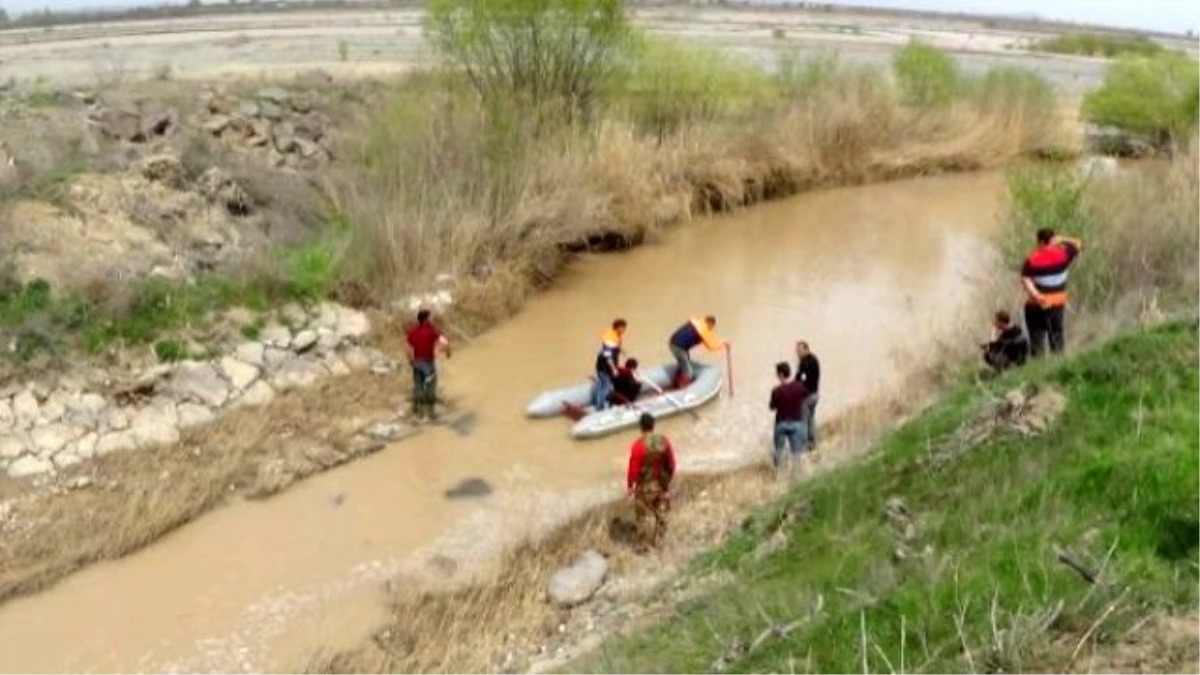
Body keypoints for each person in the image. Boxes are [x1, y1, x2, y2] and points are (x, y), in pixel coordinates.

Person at [1021, 228, 1083, 357]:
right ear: (1053, 240)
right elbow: (1079, 243)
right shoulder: (1065, 254)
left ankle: (1038, 367)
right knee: (1056, 336)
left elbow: (1025, 279)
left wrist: (1037, 295)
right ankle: (1058, 364)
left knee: (1037, 339)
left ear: (1041, 242)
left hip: (1036, 305)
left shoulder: (1032, 259)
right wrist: (1062, 239)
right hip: (1057, 303)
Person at [626, 412, 676, 551]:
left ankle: (643, 546)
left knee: (642, 517)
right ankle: (659, 543)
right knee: (662, 515)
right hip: (661, 485)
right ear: (653, 425)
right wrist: (667, 481)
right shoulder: (664, 441)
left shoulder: (638, 445)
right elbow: (671, 464)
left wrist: (631, 486)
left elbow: (633, 469)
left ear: (641, 427)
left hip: (645, 488)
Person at [405, 308, 451, 421]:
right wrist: (448, 351)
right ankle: (430, 413)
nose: (431, 319)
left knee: (418, 387)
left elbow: (408, 347)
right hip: (428, 364)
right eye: (430, 317)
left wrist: (410, 360)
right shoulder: (432, 331)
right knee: (431, 387)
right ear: (426, 319)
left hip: (416, 363)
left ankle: (420, 413)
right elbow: (443, 342)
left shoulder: (413, 331)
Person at [769, 362, 809, 480]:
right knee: (797, 455)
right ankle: (798, 478)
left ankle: (778, 477)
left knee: (779, 453)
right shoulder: (799, 387)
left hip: (781, 423)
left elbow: (772, 407)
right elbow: (806, 395)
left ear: (780, 375)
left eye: (777, 374)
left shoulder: (776, 390)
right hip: (797, 423)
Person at [667, 315, 725, 387]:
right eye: (712, 326)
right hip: (679, 348)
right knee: (688, 371)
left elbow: (710, 336)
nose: (712, 328)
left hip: (672, 342)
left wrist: (719, 341)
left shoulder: (695, 322)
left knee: (683, 365)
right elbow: (711, 347)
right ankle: (684, 390)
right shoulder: (703, 331)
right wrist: (723, 345)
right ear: (710, 323)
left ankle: (675, 384)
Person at [593, 319, 628, 411]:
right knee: (606, 386)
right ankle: (601, 408)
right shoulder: (609, 339)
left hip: (604, 364)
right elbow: (608, 357)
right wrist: (614, 369)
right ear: (618, 328)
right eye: (623, 328)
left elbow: (616, 346)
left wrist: (621, 350)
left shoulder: (615, 335)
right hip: (605, 366)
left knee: (603, 385)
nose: (624, 330)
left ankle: (600, 404)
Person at [794, 341, 820, 452]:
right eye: (797, 351)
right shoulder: (814, 359)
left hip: (807, 397)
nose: (797, 353)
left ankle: (804, 447)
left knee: (803, 422)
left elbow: (801, 379)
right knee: (811, 420)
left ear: (806, 349)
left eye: (799, 351)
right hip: (815, 395)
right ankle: (812, 444)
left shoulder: (805, 362)